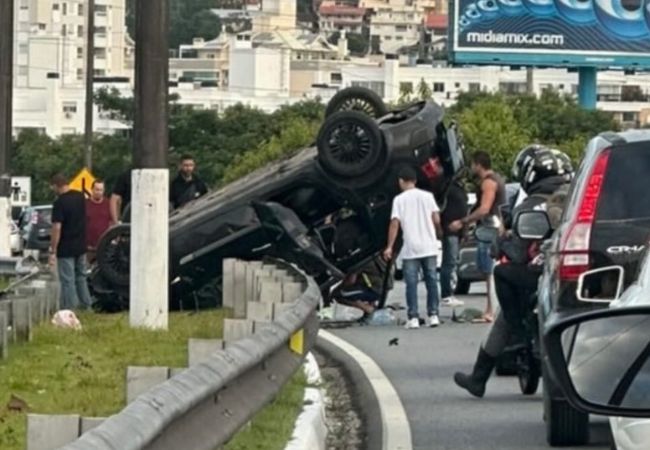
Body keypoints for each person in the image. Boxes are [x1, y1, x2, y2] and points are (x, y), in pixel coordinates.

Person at [453, 148, 573, 398]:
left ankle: (481, 375)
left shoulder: (530, 204)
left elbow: (517, 252)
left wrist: (501, 240)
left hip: (541, 274)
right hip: (576, 276)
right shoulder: (580, 197)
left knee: (505, 292)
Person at [449, 151, 506, 323]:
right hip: (495, 227)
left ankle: (490, 310)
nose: (472, 168)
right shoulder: (498, 179)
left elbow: (484, 209)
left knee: (489, 272)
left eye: (473, 164)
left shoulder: (488, 182)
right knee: (489, 272)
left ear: (478, 164)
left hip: (489, 229)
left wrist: (463, 221)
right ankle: (492, 309)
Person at [383, 166, 443, 329]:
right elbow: (436, 219)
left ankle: (413, 317)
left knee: (411, 283)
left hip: (410, 247)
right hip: (429, 246)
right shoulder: (428, 196)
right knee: (431, 281)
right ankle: (433, 315)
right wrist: (436, 233)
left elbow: (395, 223)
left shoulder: (399, 200)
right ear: (415, 181)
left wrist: (389, 246)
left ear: (401, 181)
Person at [49, 173, 93, 310]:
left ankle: (70, 308)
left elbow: (57, 227)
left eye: (53, 187)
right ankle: (87, 306)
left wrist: (53, 249)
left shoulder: (59, 203)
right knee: (81, 277)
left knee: (67, 280)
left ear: (57, 186)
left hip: (66, 246)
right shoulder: (80, 197)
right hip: (80, 244)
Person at [330, 255, 391, 322]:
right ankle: (371, 309)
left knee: (340, 294)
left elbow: (351, 281)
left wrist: (337, 289)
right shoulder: (374, 256)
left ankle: (370, 310)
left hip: (375, 290)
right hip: (383, 289)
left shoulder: (360, 260)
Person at [437, 179, 468, 307]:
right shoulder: (448, 188)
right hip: (450, 230)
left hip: (456, 231)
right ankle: (446, 294)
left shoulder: (457, 188)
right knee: (449, 263)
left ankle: (448, 293)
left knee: (451, 262)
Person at [85, 179, 113, 264]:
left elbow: (112, 222)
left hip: (105, 246)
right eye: (97, 189)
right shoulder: (85, 204)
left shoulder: (108, 204)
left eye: (101, 190)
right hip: (88, 247)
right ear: (92, 189)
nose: (98, 192)